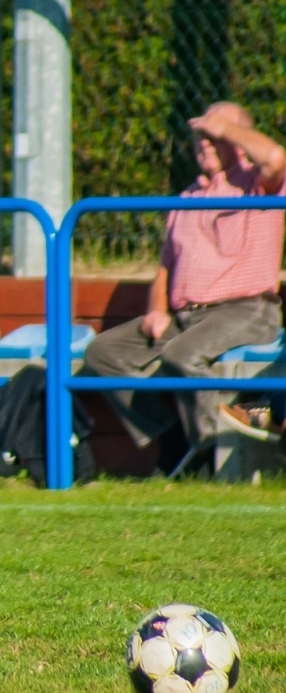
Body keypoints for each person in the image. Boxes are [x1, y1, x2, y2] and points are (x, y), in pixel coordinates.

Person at [83, 102, 285, 464]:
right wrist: (157, 308)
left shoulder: (260, 185)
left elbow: (275, 154)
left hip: (247, 309)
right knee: (103, 354)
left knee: (181, 354)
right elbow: (166, 264)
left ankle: (208, 451)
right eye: (201, 134)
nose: (204, 139)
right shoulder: (186, 197)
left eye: (215, 132)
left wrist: (225, 127)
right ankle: (171, 436)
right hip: (186, 315)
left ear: (239, 139)